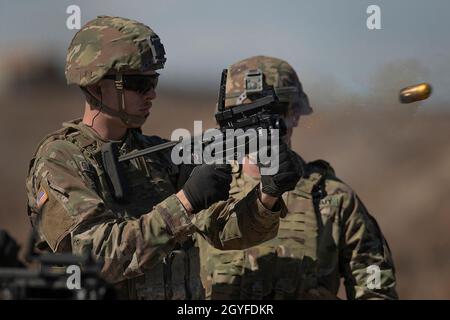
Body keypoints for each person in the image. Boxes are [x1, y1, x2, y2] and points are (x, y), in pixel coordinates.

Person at [25, 17, 300, 299]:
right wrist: (185, 202)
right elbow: (93, 259)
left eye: (153, 81)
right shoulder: (61, 161)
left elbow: (223, 232)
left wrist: (268, 195)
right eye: (139, 84)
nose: (152, 94)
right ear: (96, 87)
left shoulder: (158, 155)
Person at [198, 55, 398, 300]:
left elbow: (377, 291)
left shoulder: (333, 200)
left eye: (274, 111)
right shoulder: (203, 193)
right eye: (247, 113)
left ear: (294, 115)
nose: (261, 124)